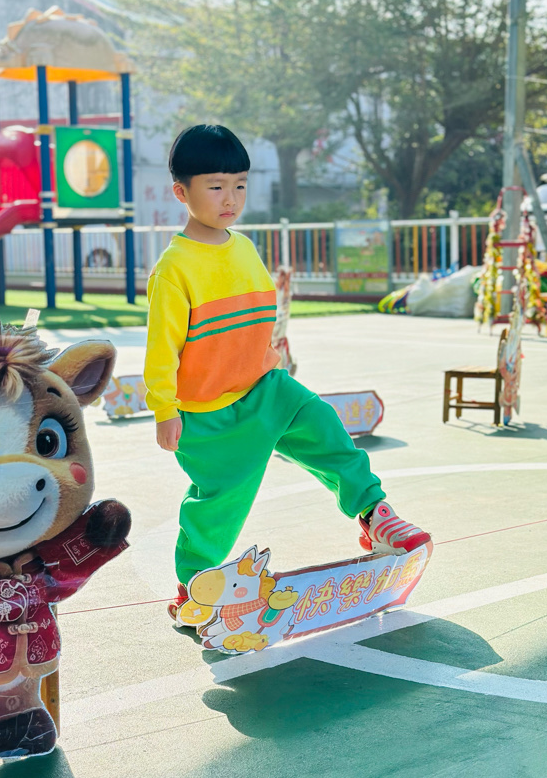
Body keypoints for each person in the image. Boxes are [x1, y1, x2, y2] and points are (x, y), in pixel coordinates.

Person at [143, 124, 430, 614]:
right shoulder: (174, 269)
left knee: (324, 426)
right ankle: (194, 590)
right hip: (209, 414)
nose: (230, 198)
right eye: (216, 186)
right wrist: (164, 409)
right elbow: (161, 350)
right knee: (219, 504)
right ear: (181, 192)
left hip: (267, 388)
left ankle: (374, 514)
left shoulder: (243, 247)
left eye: (239, 185)